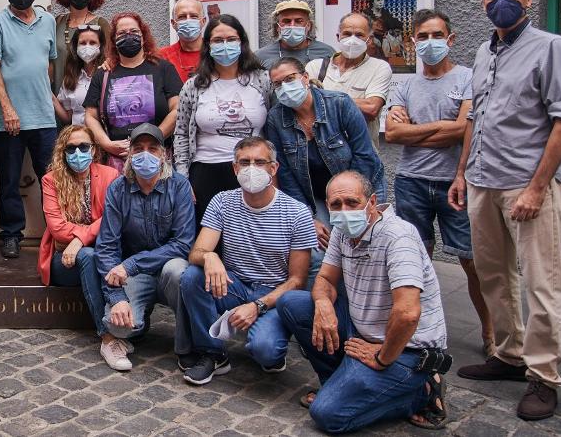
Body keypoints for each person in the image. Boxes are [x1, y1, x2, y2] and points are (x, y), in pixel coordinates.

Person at [450, 0, 561, 422]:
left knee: (542, 283)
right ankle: (508, 355)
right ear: (482, 2)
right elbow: (476, 120)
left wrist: (538, 187)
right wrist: (462, 173)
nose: (499, 2)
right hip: (484, 182)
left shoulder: (551, 48)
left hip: (527, 186)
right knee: (494, 275)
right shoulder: (486, 51)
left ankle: (544, 378)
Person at [275, 171, 450, 433]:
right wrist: (323, 305)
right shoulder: (343, 232)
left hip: (405, 349)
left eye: (352, 203)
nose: (344, 210)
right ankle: (338, 382)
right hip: (361, 331)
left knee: (327, 415)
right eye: (336, 205)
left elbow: (408, 313)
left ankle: (420, 394)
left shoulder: (398, 237)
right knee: (292, 303)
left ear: (372, 202)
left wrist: (382, 358)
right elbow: (325, 278)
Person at [385, 9, 494, 356]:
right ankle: (415, 331)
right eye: (422, 37)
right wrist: (445, 131)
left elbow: (467, 130)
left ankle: (493, 335)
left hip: (454, 182)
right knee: (414, 260)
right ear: (413, 41)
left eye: (436, 35)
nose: (429, 43)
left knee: (472, 261)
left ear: (450, 39)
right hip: (411, 182)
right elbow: (393, 133)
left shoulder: (466, 78)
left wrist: (415, 132)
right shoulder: (405, 84)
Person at [178, 137, 317, 383]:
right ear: (235, 168)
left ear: (273, 168)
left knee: (266, 352)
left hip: (274, 296)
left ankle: (271, 341)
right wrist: (210, 256)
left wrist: (258, 306)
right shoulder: (222, 202)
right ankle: (212, 353)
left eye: (260, 162)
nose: (251, 168)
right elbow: (197, 252)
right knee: (192, 276)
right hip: (236, 285)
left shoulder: (297, 213)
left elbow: (297, 281)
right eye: (244, 162)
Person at [95, 123, 196, 372]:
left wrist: (130, 264)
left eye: (153, 148)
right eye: (138, 149)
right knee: (119, 324)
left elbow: (183, 244)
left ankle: (186, 348)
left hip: (164, 271)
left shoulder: (179, 186)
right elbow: (107, 246)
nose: (145, 155)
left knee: (178, 270)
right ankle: (138, 316)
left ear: (164, 154)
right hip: (134, 277)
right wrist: (117, 298)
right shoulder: (118, 189)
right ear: (129, 154)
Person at [262, 58, 385, 258]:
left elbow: (365, 155)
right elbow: (284, 172)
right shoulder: (276, 119)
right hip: (315, 196)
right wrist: (307, 217)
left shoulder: (340, 103)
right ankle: (328, 289)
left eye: (290, 79)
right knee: (319, 250)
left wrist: (349, 201)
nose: (284, 87)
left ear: (305, 78)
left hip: (362, 185)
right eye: (278, 84)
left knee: (366, 247)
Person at [0, 0, 58, 259]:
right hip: (8, 120)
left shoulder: (48, 21)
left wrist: (45, 96)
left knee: (51, 180)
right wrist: (8, 107)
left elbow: (49, 63)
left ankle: (56, 232)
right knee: (9, 181)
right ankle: (11, 234)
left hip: (43, 117)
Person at [173, 14, 270, 222]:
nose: (225, 45)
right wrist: (182, 178)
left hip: (253, 169)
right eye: (217, 40)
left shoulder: (262, 79)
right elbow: (181, 132)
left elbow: (275, 125)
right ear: (207, 45)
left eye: (231, 39)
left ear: (242, 42)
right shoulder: (193, 85)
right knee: (210, 241)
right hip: (206, 172)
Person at [38, 124, 116, 350]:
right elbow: (57, 229)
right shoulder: (51, 180)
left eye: (83, 146)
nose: (78, 153)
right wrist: (88, 235)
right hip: (63, 259)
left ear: (93, 149)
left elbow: (114, 218)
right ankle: (108, 337)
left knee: (92, 255)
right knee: (89, 256)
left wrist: (79, 239)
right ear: (62, 152)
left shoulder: (110, 175)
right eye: (70, 149)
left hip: (103, 254)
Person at [83, 12, 183, 171]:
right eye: (122, 33)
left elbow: (177, 110)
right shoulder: (103, 74)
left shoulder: (164, 69)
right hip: (117, 162)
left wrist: (155, 139)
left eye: (134, 32)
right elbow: (90, 115)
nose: (128, 36)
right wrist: (107, 144)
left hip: (157, 157)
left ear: (143, 37)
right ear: (114, 40)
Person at [305, 13, 393, 148]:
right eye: (347, 34)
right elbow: (306, 108)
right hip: (322, 156)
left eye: (359, 35)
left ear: (369, 40)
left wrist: (321, 98)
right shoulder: (315, 66)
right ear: (338, 37)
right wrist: (352, 103)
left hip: (361, 156)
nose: (352, 40)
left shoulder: (379, 67)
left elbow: (371, 109)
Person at [51, 0, 111, 80]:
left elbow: (110, 58)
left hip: (90, 92)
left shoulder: (100, 24)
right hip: (57, 93)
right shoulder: (58, 22)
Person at [256, 0, 335, 69]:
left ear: (308, 25)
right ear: (277, 27)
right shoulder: (260, 56)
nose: (292, 25)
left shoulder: (326, 53)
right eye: (286, 21)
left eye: (298, 21)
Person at [53, 23, 105, 126]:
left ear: (100, 46)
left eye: (93, 42)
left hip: (103, 137)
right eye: (82, 43)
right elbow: (68, 117)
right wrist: (50, 97)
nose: (87, 47)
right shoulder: (72, 76)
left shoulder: (106, 73)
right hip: (79, 137)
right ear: (76, 46)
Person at [158, 0, 206, 82]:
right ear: (173, 23)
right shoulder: (162, 56)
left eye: (194, 16)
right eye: (182, 17)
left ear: (203, 21)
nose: (188, 20)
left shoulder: (215, 52)